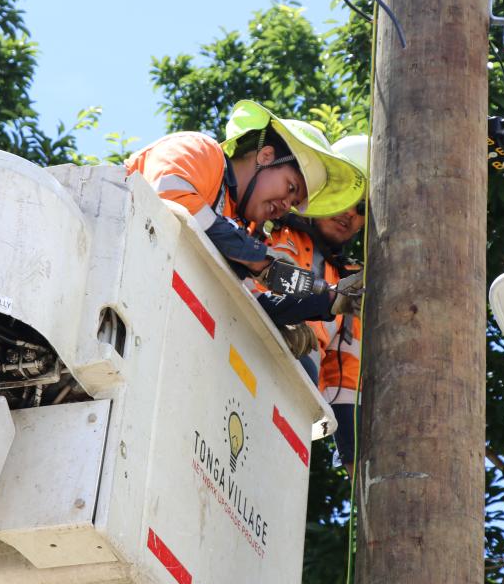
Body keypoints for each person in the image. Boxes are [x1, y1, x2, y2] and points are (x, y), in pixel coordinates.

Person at [125, 100, 364, 325]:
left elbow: (250, 305)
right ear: (266, 156)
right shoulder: (202, 152)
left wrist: (331, 300)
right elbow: (171, 197)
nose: (284, 206)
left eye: (293, 202)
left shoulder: (238, 228)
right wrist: (257, 257)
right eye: (290, 187)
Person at [264, 135, 367, 469]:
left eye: (362, 208)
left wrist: (352, 456)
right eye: (346, 198)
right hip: (247, 341)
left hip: (296, 386)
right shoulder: (272, 224)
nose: (350, 214)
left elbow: (343, 377)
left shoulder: (350, 284)